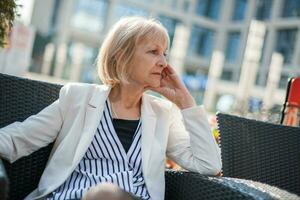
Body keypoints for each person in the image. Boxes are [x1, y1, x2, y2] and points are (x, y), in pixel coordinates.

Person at [0, 16, 222, 200]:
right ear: (122, 56)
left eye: (165, 53)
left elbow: (208, 165)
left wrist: (186, 103)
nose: (163, 62)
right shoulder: (77, 99)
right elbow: (17, 140)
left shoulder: (163, 113)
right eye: (153, 51)